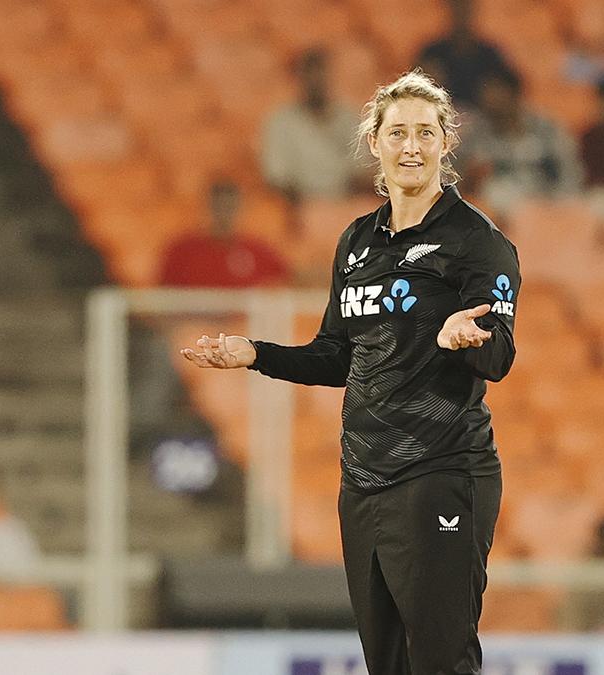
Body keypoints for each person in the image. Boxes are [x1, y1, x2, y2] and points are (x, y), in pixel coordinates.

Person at [181, 70, 519, 674]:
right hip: (363, 483)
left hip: (441, 473)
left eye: (425, 133)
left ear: (446, 143)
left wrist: (462, 339)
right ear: (374, 143)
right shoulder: (357, 241)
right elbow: (338, 356)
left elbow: (498, 356)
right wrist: (255, 352)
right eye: (398, 133)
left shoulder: (477, 241)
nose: (411, 146)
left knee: (441, 661)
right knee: (386, 664)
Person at [459, 67, 583, 216]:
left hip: (547, 199)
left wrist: (560, 201)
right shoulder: (475, 134)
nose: (491, 99)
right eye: (487, 93)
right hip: (499, 206)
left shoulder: (546, 129)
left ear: (514, 94)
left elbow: (569, 170)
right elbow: (460, 177)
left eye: (498, 92)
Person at [260, 48, 363, 203]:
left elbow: (361, 172)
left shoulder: (348, 118)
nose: (316, 83)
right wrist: (308, 206)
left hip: (346, 204)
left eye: (321, 75)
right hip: (299, 207)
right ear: (299, 79)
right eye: (310, 76)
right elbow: (278, 178)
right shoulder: (281, 122)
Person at [159, 180, 289, 288]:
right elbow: (164, 295)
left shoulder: (258, 251)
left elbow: (287, 279)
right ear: (207, 208)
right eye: (218, 207)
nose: (224, 214)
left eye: (229, 207)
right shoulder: (182, 251)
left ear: (241, 209)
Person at [417, 0, 513, 108]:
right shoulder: (432, 54)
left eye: (465, 8)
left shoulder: (490, 55)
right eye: (457, 7)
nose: (461, 13)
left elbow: (509, 89)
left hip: (483, 115)